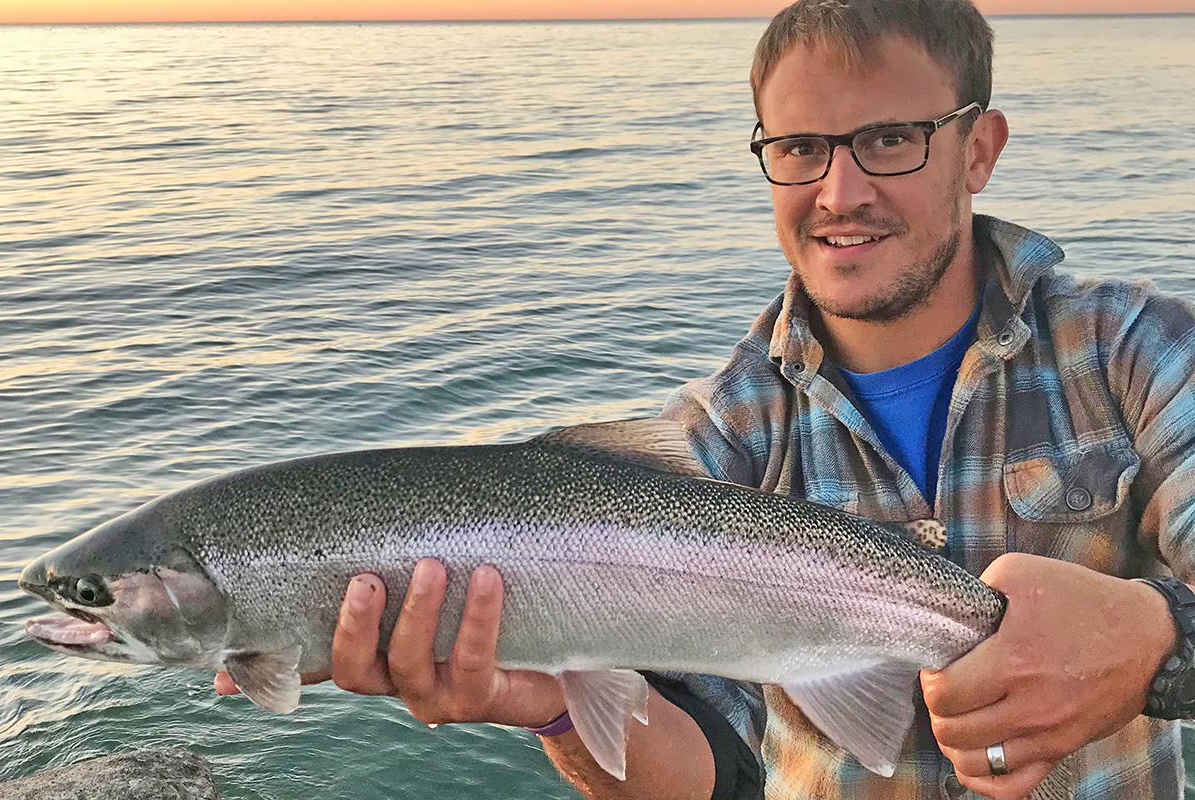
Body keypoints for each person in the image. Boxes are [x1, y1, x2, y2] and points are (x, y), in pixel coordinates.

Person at [216, 1, 1195, 797]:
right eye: (802, 147)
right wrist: (552, 704)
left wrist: (1155, 639)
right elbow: (711, 773)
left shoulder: (1142, 357)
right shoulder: (704, 443)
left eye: (891, 138)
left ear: (979, 149)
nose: (839, 190)